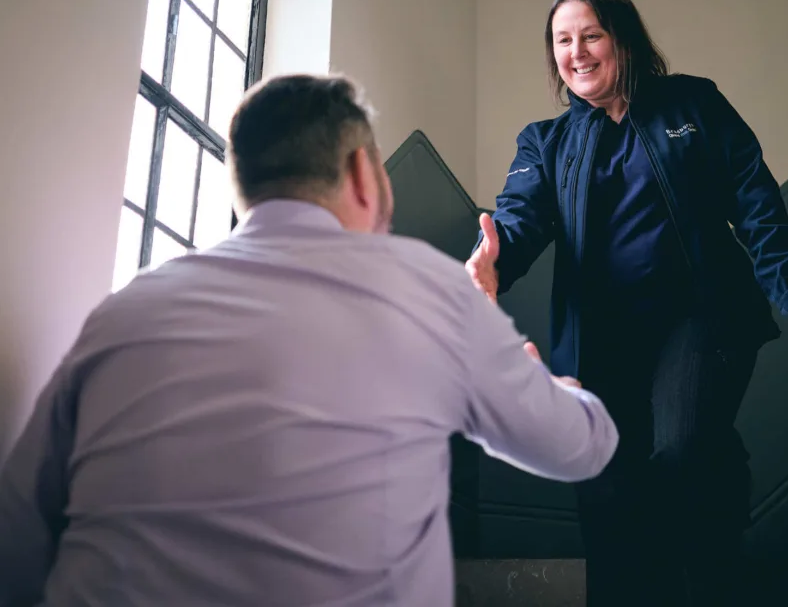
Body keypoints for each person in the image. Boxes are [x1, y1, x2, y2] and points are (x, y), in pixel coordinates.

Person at [0, 73, 618, 607]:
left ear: (242, 181)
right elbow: (580, 450)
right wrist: (560, 390)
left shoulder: (127, 308)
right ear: (361, 174)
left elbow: (19, 537)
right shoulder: (427, 289)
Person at [466, 0, 788, 606]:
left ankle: (711, 570)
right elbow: (517, 219)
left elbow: (756, 204)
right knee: (606, 490)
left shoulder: (693, 105)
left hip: (699, 319)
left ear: (624, 39)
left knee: (682, 447)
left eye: (591, 34)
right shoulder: (546, 141)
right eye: (563, 40)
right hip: (600, 338)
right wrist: (491, 262)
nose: (577, 52)